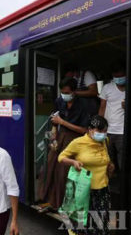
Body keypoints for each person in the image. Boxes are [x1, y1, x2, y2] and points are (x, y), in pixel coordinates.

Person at [38, 78, 90, 210]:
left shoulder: (83, 105)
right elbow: (55, 121)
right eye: (62, 92)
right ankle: (45, 198)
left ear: (74, 92)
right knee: (48, 166)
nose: (64, 95)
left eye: (67, 92)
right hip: (60, 137)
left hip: (75, 140)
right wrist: (54, 133)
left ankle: (60, 203)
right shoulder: (59, 101)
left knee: (63, 172)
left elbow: (84, 130)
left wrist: (62, 122)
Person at [58, 115, 114, 235]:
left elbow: (105, 160)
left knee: (100, 226)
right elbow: (61, 157)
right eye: (100, 131)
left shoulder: (105, 141)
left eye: (105, 131)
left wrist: (110, 166)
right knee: (81, 225)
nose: (103, 134)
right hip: (84, 191)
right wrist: (73, 162)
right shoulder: (78, 143)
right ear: (90, 129)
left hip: (102, 191)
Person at [99, 64, 126, 180]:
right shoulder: (107, 88)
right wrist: (99, 126)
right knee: (107, 160)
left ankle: (123, 184)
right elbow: (102, 107)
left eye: (121, 76)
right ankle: (107, 183)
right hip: (108, 130)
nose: (118, 79)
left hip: (123, 131)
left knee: (122, 161)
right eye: (116, 76)